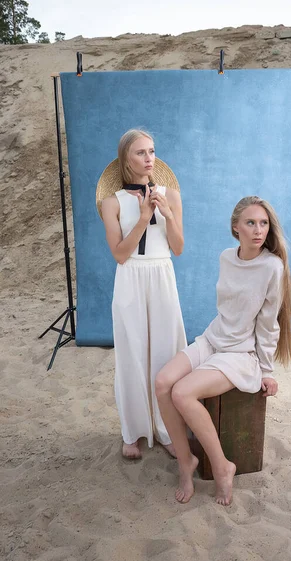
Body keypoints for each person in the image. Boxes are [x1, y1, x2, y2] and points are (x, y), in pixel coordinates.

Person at [155, 196, 291, 505]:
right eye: (250, 223)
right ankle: (186, 462)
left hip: (239, 354)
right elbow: (227, 309)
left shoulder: (272, 267)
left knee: (182, 393)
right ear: (236, 227)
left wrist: (267, 371)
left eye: (263, 223)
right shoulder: (225, 257)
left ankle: (222, 467)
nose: (258, 230)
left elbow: (269, 324)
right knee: (163, 383)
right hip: (212, 338)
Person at [101, 129, 187, 459]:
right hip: (130, 277)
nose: (149, 158)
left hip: (162, 274)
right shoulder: (113, 203)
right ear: (126, 159)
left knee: (167, 350)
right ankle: (133, 430)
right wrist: (143, 218)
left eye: (151, 151)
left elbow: (177, 248)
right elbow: (120, 254)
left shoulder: (172, 196)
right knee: (131, 352)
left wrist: (165, 214)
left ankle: (167, 428)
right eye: (140, 152)